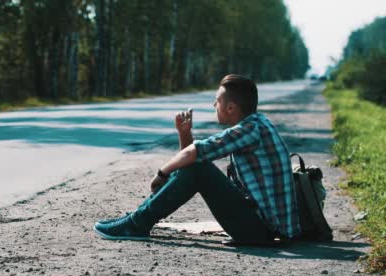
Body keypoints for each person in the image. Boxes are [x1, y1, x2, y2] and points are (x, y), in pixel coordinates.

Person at [94, 74, 300, 246]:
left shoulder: (250, 129)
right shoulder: (257, 123)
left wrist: (162, 173)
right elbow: (191, 160)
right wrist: (185, 134)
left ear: (230, 108)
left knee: (200, 170)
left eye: (217, 101)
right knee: (197, 168)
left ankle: (137, 224)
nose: (213, 104)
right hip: (261, 227)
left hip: (263, 232)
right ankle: (136, 220)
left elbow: (195, 156)